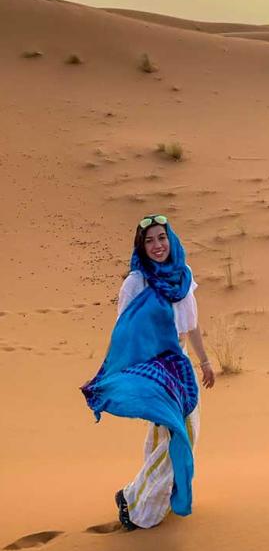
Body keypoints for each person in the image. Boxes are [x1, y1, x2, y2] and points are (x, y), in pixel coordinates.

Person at [81, 214, 215, 531]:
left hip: (181, 364)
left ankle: (151, 496)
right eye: (149, 240)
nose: (157, 245)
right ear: (141, 247)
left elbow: (191, 324)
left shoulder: (184, 275)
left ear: (171, 240)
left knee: (170, 435)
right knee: (179, 434)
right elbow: (125, 330)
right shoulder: (136, 282)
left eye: (161, 238)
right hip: (156, 368)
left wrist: (205, 361)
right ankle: (135, 501)